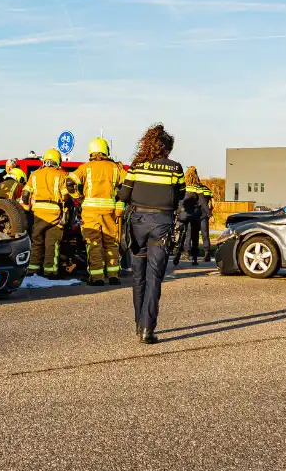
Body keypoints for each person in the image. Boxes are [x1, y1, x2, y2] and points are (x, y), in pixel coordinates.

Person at [117, 124, 184, 344]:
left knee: (138, 276)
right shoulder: (175, 169)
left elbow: (124, 196)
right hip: (162, 224)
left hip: (138, 224)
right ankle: (147, 328)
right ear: (167, 148)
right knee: (154, 276)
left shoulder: (137, 167)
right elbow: (180, 196)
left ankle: (138, 323)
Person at [69, 138, 127, 287]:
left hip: (90, 212)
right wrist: (120, 205)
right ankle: (114, 276)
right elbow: (126, 187)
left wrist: (78, 197)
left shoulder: (85, 168)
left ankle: (97, 278)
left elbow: (69, 182)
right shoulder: (115, 168)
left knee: (94, 244)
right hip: (109, 212)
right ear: (106, 150)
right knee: (111, 243)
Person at [22, 149, 70, 278]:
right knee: (52, 243)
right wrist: (66, 208)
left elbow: (25, 195)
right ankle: (50, 271)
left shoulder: (34, 175)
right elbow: (66, 197)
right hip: (54, 212)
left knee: (37, 242)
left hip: (38, 211)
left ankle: (33, 270)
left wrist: (28, 208)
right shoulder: (61, 175)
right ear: (57, 161)